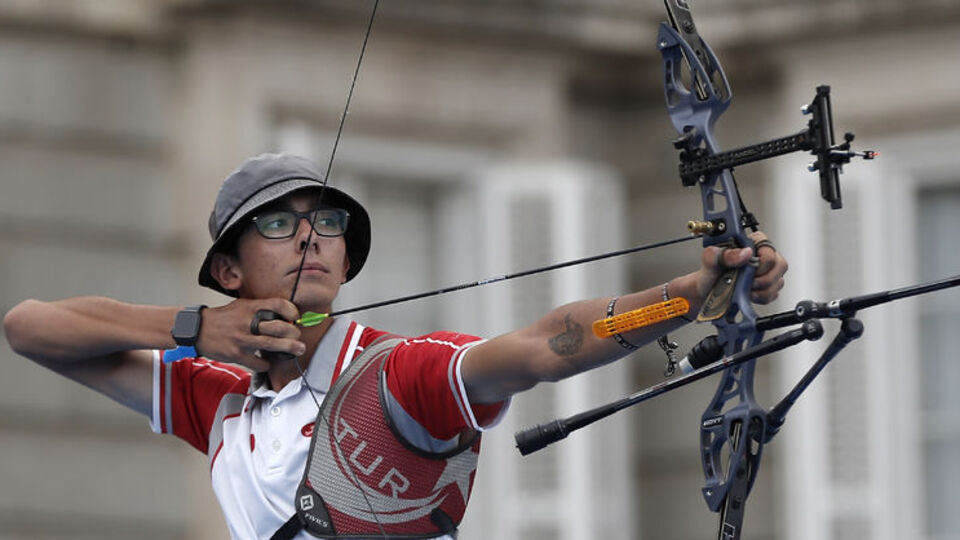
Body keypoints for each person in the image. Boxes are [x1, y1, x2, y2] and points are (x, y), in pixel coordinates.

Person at [3, 153, 788, 540]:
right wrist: (192, 329)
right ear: (230, 270)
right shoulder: (217, 395)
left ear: (346, 261)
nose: (311, 237)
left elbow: (552, 345)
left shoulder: (396, 373)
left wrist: (687, 296)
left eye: (329, 224)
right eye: (279, 224)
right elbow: (29, 328)